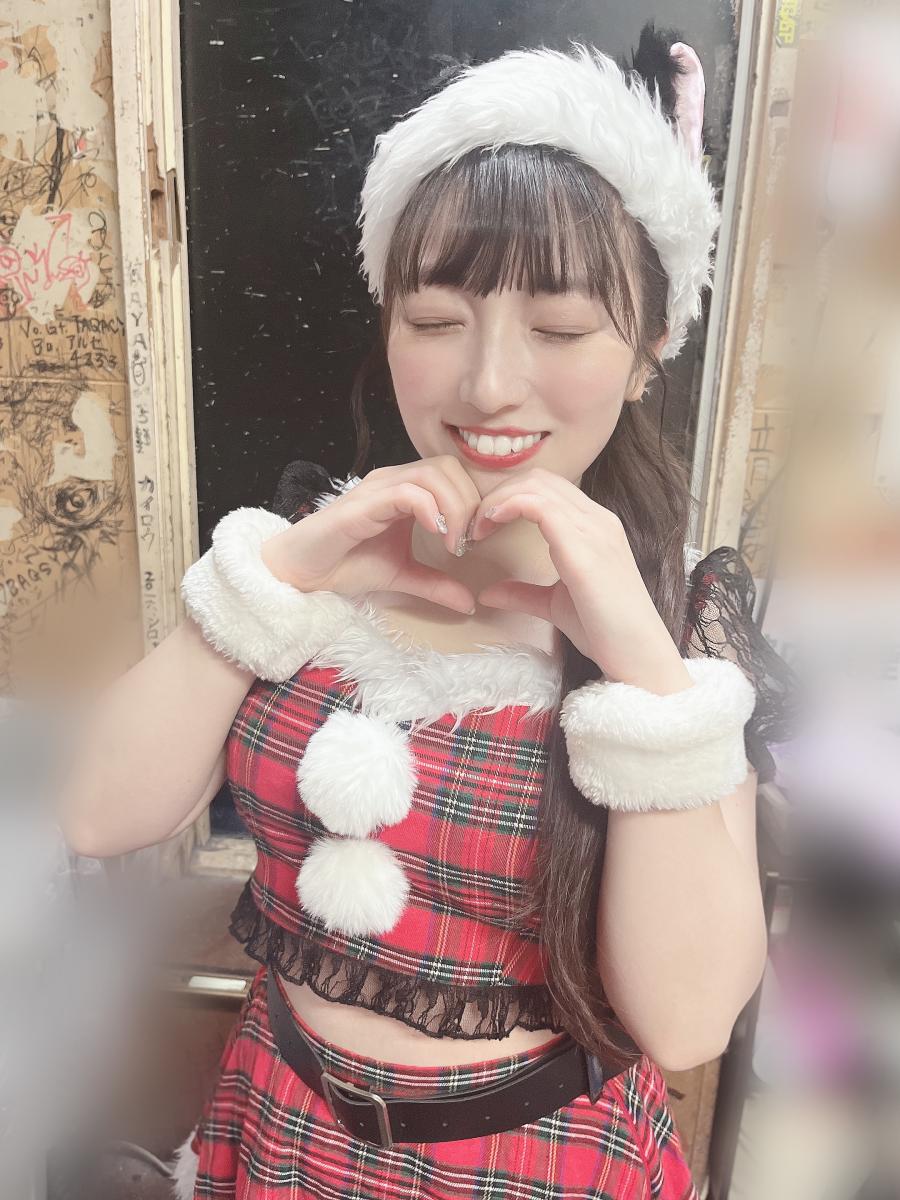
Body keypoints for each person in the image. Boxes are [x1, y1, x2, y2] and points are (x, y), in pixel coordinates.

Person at [60, 23, 798, 1200]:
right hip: (280, 1122)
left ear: (650, 348)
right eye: (437, 320)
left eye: (560, 330)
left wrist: (641, 671)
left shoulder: (681, 619)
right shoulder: (314, 548)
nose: (489, 384)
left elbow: (688, 1019)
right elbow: (96, 812)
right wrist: (272, 584)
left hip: (537, 1164)